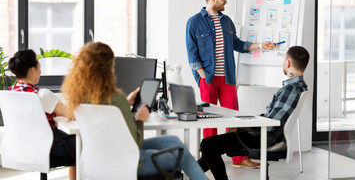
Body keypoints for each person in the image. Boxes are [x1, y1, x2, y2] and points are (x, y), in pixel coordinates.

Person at [63, 41, 209, 179]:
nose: (114, 69)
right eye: (112, 65)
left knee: (174, 141)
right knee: (180, 153)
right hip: (129, 165)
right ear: (106, 69)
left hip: (95, 164)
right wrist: (140, 119)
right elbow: (135, 142)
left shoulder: (80, 99)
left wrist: (126, 103)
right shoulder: (116, 98)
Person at [186, 0, 276, 168]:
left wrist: (261, 45)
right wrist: (202, 75)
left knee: (235, 118)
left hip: (227, 78)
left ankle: (239, 158)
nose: (226, 1)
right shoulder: (194, 22)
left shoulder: (226, 21)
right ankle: (210, 160)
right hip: (208, 79)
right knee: (209, 120)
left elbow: (238, 44)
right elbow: (191, 52)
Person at [198, 46, 310, 180]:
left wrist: (240, 127)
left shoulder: (290, 90)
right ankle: (186, 174)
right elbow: (272, 118)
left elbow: (271, 124)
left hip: (262, 137)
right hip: (263, 134)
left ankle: (188, 173)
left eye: (284, 60)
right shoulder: (298, 87)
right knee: (212, 146)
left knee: (208, 145)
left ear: (288, 63)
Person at [8, 49, 76, 180]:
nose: (41, 70)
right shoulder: (42, 95)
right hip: (47, 150)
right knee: (83, 146)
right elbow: (71, 115)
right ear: (32, 70)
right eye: (39, 66)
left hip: (22, 148)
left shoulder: (11, 93)